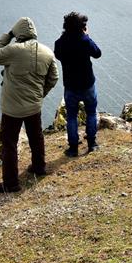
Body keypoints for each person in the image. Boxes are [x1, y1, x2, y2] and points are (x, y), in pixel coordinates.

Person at [0, 17, 59, 193]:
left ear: (18, 33)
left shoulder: (13, 50)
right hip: (34, 106)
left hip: (12, 108)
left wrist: (9, 34)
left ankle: (11, 184)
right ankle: (39, 167)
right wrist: (40, 95)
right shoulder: (47, 52)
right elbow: (54, 78)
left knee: (9, 144)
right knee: (36, 137)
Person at [54, 11, 102, 156]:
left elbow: (58, 55)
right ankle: (92, 144)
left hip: (70, 86)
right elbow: (97, 53)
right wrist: (86, 36)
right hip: (87, 84)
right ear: (82, 27)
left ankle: (73, 148)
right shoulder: (85, 41)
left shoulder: (60, 43)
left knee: (71, 117)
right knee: (91, 113)